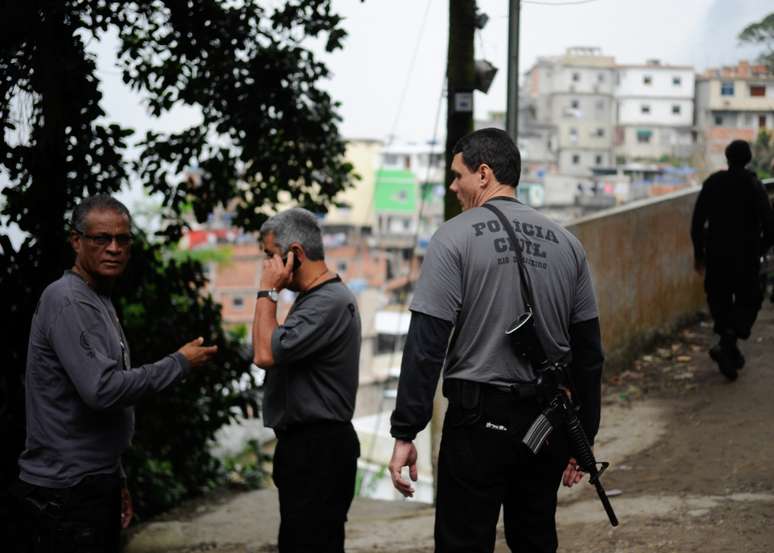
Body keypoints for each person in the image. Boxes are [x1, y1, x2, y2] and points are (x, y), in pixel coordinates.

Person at [388, 128, 604, 553]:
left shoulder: (452, 238)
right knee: (535, 537)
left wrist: (405, 431)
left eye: (457, 176)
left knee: (463, 542)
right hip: (547, 423)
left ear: (483, 174)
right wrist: (585, 435)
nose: (453, 187)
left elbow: (426, 346)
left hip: (477, 423)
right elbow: (590, 354)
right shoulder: (568, 245)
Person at [13, 194, 218, 552]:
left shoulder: (97, 298)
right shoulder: (68, 300)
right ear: (76, 241)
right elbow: (102, 390)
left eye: (122, 239)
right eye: (101, 239)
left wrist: (116, 477)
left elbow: (104, 411)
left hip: (92, 482)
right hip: (67, 491)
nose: (114, 248)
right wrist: (179, 363)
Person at [252, 207, 361, 553]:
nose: (267, 266)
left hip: (320, 449)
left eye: (271, 255)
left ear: (295, 253)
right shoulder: (313, 299)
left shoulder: (328, 302)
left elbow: (264, 355)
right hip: (306, 448)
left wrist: (267, 292)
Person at [691, 139, 774, 381]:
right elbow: (770, 226)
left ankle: (728, 348)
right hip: (746, 257)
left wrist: (699, 254)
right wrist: (760, 249)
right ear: (748, 159)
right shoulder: (753, 186)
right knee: (750, 299)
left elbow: (697, 223)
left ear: (727, 158)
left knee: (720, 302)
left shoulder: (713, 183)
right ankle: (728, 343)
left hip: (716, 256)